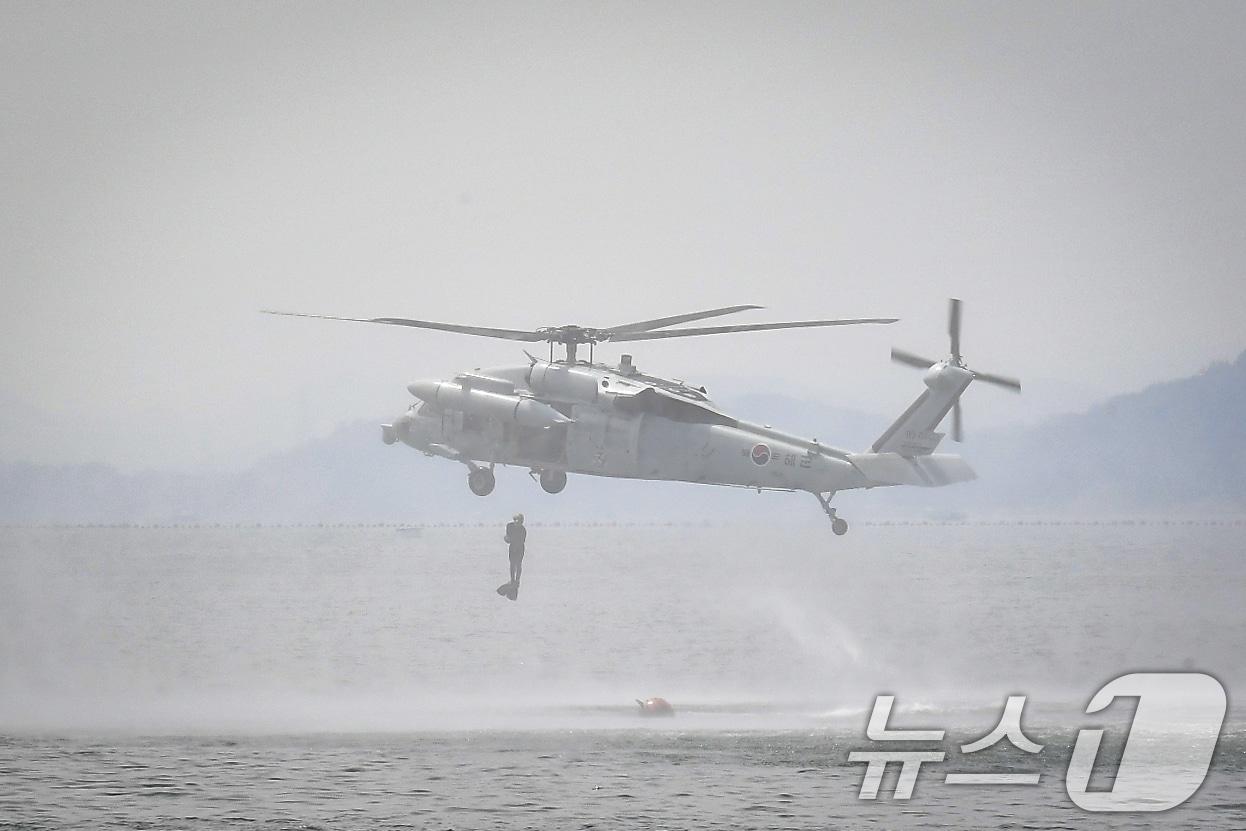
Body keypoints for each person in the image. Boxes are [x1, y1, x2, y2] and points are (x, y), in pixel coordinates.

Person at [504, 513, 527, 585]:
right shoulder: (509, 526)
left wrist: (511, 540)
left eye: (520, 521)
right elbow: (508, 537)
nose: (518, 523)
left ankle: (517, 581)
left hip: (520, 548)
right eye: (516, 520)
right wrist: (507, 539)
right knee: (512, 564)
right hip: (512, 547)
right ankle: (512, 580)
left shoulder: (523, 530)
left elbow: (521, 541)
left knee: (518, 564)